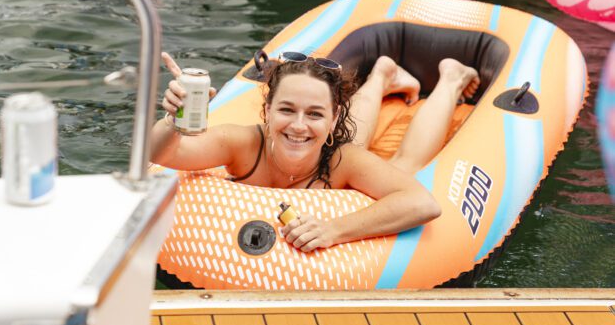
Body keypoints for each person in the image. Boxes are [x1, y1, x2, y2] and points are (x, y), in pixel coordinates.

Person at [151, 51, 480, 252]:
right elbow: (160, 154)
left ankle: (450, 79)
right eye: (286, 110)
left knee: (404, 164)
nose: (297, 124)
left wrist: (335, 229)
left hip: (333, 157)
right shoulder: (242, 145)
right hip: (326, 150)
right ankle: (382, 75)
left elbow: (422, 203)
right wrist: (173, 119)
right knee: (333, 141)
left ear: (335, 116)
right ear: (267, 111)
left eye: (315, 113)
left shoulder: (343, 159)